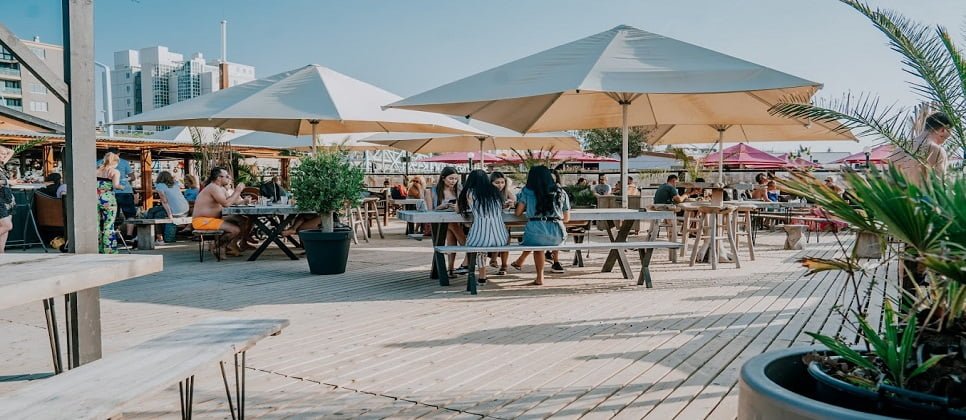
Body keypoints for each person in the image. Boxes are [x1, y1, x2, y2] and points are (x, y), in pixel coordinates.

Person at [510, 165, 571, 285]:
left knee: (538, 246)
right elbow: (567, 218)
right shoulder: (561, 192)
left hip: (535, 230)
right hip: (557, 234)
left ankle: (540, 277)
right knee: (540, 242)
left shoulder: (527, 191)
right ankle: (524, 263)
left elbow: (518, 213)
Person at [457, 169, 509, 285]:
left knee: (476, 243)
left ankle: (481, 276)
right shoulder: (495, 192)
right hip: (501, 238)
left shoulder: (470, 192)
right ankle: (466, 265)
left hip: (481, 236)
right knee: (479, 241)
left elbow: (458, 209)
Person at [192, 167, 248, 258]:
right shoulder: (213, 187)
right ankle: (218, 247)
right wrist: (238, 191)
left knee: (242, 220)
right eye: (227, 176)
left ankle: (230, 246)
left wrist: (244, 201)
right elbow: (226, 204)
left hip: (213, 219)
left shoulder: (220, 188)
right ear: (219, 178)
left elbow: (232, 200)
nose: (229, 178)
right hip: (202, 221)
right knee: (235, 230)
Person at [426, 166, 468, 276]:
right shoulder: (433, 191)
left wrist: (457, 206)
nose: (453, 181)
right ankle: (470, 251)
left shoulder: (459, 189)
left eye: (455, 179)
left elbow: (465, 205)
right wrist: (440, 207)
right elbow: (429, 211)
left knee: (451, 238)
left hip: (455, 218)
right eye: (451, 179)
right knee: (452, 226)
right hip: (439, 221)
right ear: (443, 178)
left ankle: (450, 269)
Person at [893, 111, 951, 184]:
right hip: (925, 194)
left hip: (902, 194)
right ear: (943, 130)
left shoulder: (899, 149)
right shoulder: (937, 150)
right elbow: (940, 184)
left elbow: (891, 182)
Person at [97, 147, 137, 239]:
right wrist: (126, 180)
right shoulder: (124, 162)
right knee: (130, 214)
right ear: (118, 154)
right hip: (124, 191)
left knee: (111, 216)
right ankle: (129, 235)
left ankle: (113, 235)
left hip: (104, 194)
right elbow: (133, 177)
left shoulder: (99, 163)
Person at [145, 171, 190, 245]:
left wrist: (170, 215)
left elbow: (164, 201)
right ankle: (157, 237)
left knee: (155, 214)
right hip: (185, 209)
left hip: (175, 211)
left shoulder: (160, 185)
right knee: (153, 211)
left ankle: (158, 238)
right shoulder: (175, 184)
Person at [95, 152, 124, 254]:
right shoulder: (114, 171)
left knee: (96, 224)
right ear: (115, 162)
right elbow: (116, 185)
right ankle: (109, 249)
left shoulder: (96, 170)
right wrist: (122, 186)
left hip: (95, 198)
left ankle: (97, 248)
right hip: (108, 199)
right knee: (109, 224)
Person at [488, 171, 514, 275]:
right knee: (502, 235)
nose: (500, 185)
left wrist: (511, 203)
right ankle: (495, 259)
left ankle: (503, 265)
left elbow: (514, 200)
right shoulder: (488, 193)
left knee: (506, 236)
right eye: (497, 183)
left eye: (502, 182)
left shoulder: (506, 192)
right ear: (491, 183)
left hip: (505, 221)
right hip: (491, 223)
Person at [0, 145, 15, 254]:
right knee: (7, 226)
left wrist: (4, 150)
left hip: (7, 198)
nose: (4, 156)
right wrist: (8, 182)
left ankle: (2, 252)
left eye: (4, 154)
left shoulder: (1, 164)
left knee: (4, 228)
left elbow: (11, 151)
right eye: (1, 154)